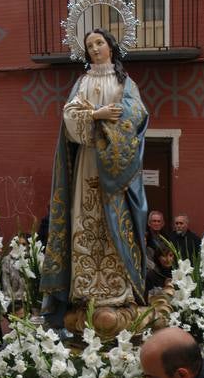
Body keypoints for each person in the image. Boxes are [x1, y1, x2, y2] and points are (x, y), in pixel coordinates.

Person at [40, 28, 148, 333]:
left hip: (113, 172)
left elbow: (137, 115)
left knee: (114, 224)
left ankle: (119, 290)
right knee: (84, 220)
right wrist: (96, 115)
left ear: (111, 47)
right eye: (89, 45)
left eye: (99, 42)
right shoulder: (83, 82)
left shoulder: (125, 82)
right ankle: (84, 291)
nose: (94, 48)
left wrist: (113, 117)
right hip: (88, 163)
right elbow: (69, 116)